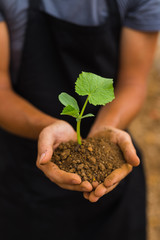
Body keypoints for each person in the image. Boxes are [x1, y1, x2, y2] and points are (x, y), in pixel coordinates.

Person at [0, 0, 159, 239]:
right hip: (23, 176)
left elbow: (133, 83)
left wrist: (108, 127)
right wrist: (47, 126)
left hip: (110, 177)